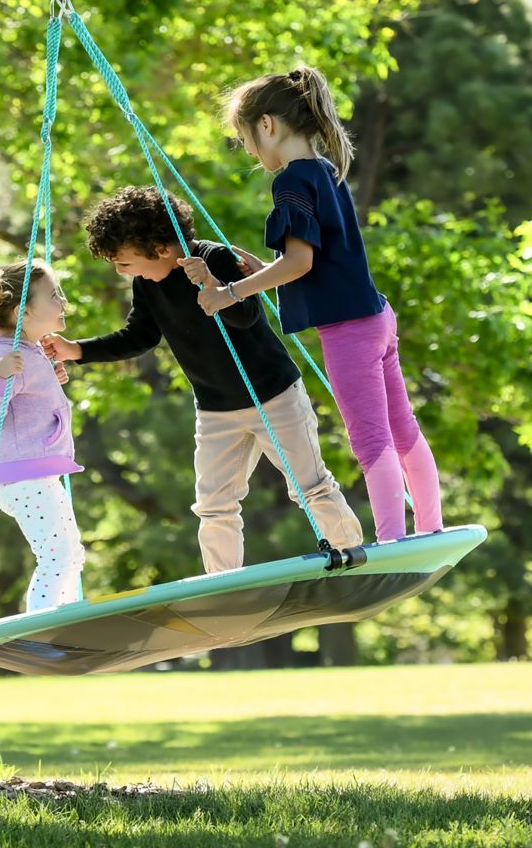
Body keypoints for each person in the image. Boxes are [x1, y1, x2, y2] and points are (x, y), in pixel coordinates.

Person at [40, 186, 364, 572]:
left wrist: (213, 285)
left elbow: (246, 317)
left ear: (161, 249)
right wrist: (76, 350)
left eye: (124, 262)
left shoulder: (216, 258)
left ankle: (350, 555)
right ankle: (223, 582)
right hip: (215, 410)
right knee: (213, 504)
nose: (121, 272)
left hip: (273, 395)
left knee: (310, 485)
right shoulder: (147, 283)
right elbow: (139, 336)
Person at [187, 65, 442, 543]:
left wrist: (230, 293)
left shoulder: (290, 182)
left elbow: (300, 263)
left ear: (267, 125)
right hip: (375, 316)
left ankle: (392, 541)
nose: (246, 149)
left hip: (348, 330)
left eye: (244, 136)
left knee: (371, 441)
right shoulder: (322, 170)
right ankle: (430, 527)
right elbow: (308, 256)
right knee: (402, 430)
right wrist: (259, 267)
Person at [0, 261, 86, 611]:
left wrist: (48, 381)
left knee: (71, 554)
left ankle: (66, 614)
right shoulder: (3, 355)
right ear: (24, 312)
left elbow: (25, 398)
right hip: (25, 475)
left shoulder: (25, 350)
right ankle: (45, 621)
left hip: (35, 473)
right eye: (54, 296)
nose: (62, 302)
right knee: (57, 556)